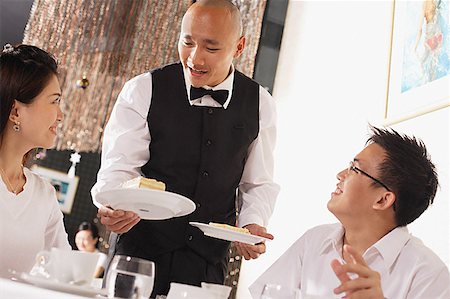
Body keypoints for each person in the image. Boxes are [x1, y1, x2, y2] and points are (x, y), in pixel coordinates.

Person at [91, 0, 279, 296]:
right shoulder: (143, 89)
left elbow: (258, 182)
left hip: (206, 265)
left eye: (211, 48)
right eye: (187, 42)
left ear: (239, 46)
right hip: (138, 256)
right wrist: (113, 205)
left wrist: (253, 224)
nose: (195, 57)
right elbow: (119, 167)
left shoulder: (260, 105)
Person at [249, 126, 450, 299]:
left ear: (383, 199)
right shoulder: (314, 240)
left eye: (354, 169)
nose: (340, 175)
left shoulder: (428, 273)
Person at [0, 44, 70, 278]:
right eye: (54, 101)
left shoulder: (44, 194)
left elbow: (63, 270)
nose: (60, 116)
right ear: (16, 112)